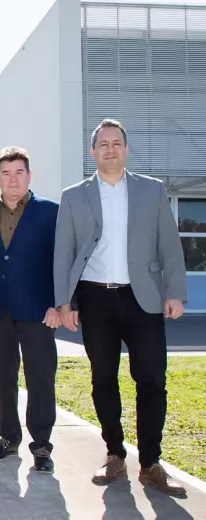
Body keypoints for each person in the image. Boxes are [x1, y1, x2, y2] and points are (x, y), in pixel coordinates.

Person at [54, 119, 188, 495]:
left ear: (126, 150)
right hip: (95, 299)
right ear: (93, 152)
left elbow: (169, 243)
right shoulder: (74, 196)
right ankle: (114, 454)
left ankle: (150, 463)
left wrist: (174, 291)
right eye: (103, 144)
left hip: (142, 298)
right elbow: (63, 252)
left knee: (151, 380)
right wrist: (65, 301)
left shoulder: (152, 191)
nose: (110, 149)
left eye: (116, 143)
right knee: (103, 380)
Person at [0, 147, 60, 473]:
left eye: (19, 172)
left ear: (29, 176)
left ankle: (42, 446)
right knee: (3, 377)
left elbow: (61, 261)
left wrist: (59, 304)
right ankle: (8, 437)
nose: (13, 179)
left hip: (39, 311)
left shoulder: (50, 213)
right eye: (6, 173)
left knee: (40, 379)